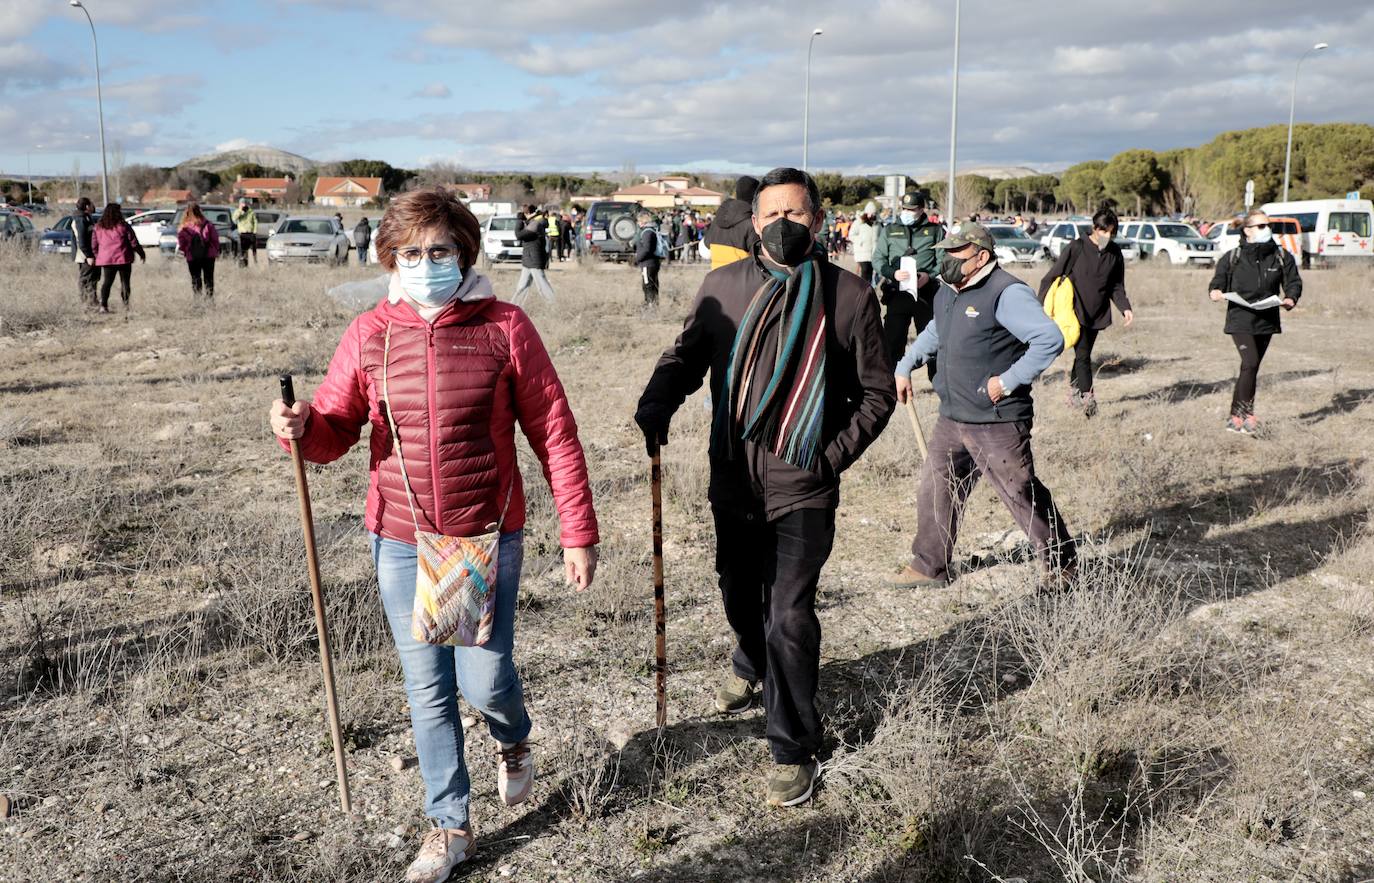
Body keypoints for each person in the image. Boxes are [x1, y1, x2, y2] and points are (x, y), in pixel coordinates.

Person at [268, 187, 599, 883]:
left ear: (465, 253)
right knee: (427, 689)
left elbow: (554, 430)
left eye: (440, 250)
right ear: (391, 258)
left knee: (486, 682)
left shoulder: (506, 326)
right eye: (411, 252)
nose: (426, 264)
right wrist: (300, 427)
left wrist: (578, 529)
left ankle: (513, 736)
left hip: (483, 536)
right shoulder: (370, 333)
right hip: (400, 538)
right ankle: (450, 825)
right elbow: (335, 430)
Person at [635, 168, 895, 809]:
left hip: (804, 488)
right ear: (753, 222)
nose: (783, 224)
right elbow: (686, 357)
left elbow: (877, 394)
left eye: (796, 213)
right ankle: (750, 660)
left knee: (788, 615)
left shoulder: (850, 295)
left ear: (818, 220)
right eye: (772, 213)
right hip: (734, 478)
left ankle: (793, 746)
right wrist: (658, 400)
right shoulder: (723, 288)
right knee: (738, 596)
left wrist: (827, 458)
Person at [887, 222, 1076, 591]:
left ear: (981, 257)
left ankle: (1061, 564)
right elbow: (936, 332)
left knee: (1019, 492)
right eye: (945, 253)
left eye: (956, 254)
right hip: (953, 415)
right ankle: (930, 566)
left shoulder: (1006, 293)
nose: (947, 260)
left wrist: (1006, 381)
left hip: (996, 419)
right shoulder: (948, 291)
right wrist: (905, 365)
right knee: (936, 488)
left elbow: (1049, 339)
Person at [1207, 208, 1302, 435]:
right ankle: (1246, 413)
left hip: (1267, 319)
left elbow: (1293, 282)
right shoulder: (1233, 257)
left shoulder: (1281, 256)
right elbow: (1218, 281)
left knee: (1251, 367)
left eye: (1268, 225)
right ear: (1247, 230)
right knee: (1249, 363)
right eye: (1261, 226)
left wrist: (1291, 298)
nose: (1266, 229)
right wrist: (1215, 291)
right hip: (1240, 318)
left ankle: (1235, 417)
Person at [1036, 207, 1134, 417]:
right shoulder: (1077, 247)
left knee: (1084, 354)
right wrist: (1039, 306)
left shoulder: (1115, 253)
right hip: (1074, 310)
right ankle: (1088, 399)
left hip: (1097, 313)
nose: (1107, 236)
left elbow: (1116, 285)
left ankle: (1073, 393)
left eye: (1111, 232)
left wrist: (1125, 307)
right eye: (1104, 231)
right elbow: (1053, 275)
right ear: (1094, 228)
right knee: (1082, 356)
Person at [872, 191, 945, 372]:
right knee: (892, 342)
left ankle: (936, 381)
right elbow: (878, 259)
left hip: (926, 295)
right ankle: (893, 381)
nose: (907, 212)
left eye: (912, 209)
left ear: (921, 209)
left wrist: (929, 275)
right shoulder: (889, 230)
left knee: (932, 344)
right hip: (898, 294)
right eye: (904, 208)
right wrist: (893, 274)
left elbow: (943, 261)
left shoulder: (935, 231)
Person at [91, 202, 146, 313]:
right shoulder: (123, 226)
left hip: (107, 260)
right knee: (125, 283)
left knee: (107, 283)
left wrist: (97, 256)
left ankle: (103, 306)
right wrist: (141, 253)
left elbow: (94, 244)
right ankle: (126, 306)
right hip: (123, 258)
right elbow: (133, 242)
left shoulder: (98, 227)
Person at [702, 175, 760, 269]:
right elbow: (759, 257)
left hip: (716, 274)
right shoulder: (751, 223)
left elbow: (705, 250)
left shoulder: (717, 220)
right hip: (741, 275)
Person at [176, 203, 220, 299]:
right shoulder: (208, 224)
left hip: (192, 256)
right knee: (209, 279)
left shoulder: (184, 227)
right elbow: (215, 240)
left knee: (195, 278)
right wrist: (216, 251)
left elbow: (181, 243)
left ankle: (197, 300)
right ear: (200, 211)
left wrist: (186, 250)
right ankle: (209, 300)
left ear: (187, 212)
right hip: (208, 256)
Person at [512, 206, 555, 304]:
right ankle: (514, 307)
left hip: (534, 259)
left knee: (542, 285)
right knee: (522, 286)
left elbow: (519, 235)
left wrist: (519, 220)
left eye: (525, 213)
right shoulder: (533, 222)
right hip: (529, 259)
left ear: (530, 213)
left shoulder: (536, 224)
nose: (524, 215)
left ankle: (553, 304)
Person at [72, 197, 99, 308]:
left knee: (93, 279)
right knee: (86, 279)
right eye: (91, 204)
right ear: (87, 206)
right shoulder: (80, 219)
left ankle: (93, 301)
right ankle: (85, 303)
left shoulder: (86, 217)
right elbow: (82, 240)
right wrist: (88, 256)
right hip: (84, 255)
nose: (93, 206)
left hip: (88, 254)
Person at [634, 211, 661, 306]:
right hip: (653, 262)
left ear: (643, 221)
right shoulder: (652, 230)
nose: (637, 223)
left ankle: (650, 306)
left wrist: (637, 259)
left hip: (647, 263)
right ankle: (653, 304)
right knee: (653, 284)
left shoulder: (647, 232)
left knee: (648, 285)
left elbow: (647, 249)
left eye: (638, 221)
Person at [848, 203, 878, 284]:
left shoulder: (877, 224)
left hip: (873, 253)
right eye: (870, 213)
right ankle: (863, 288)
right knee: (864, 271)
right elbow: (851, 235)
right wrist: (860, 240)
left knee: (870, 272)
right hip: (862, 252)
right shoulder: (858, 222)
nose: (871, 215)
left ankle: (869, 288)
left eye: (873, 213)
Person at [233, 199, 258, 267]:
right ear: (240, 204)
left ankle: (255, 262)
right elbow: (234, 219)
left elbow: (255, 221)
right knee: (243, 250)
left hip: (251, 233)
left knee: (254, 249)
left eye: (245, 203)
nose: (244, 204)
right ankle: (243, 264)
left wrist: (255, 231)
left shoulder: (251, 211)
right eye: (242, 203)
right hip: (242, 233)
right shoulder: (237, 211)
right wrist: (241, 211)